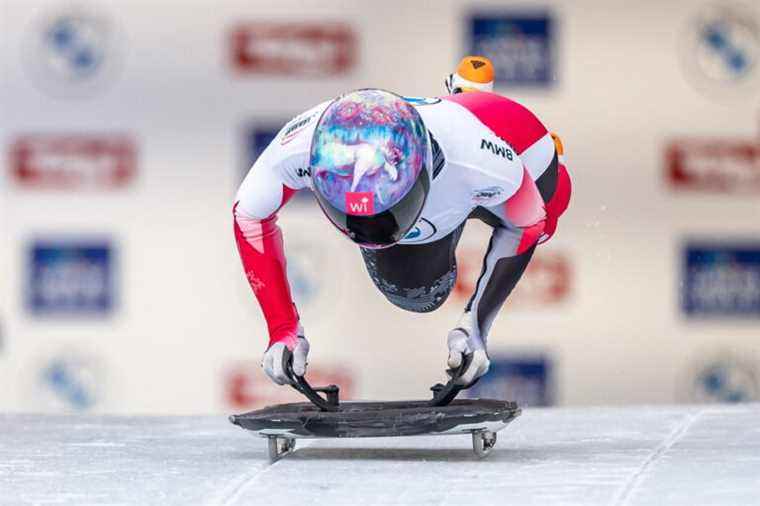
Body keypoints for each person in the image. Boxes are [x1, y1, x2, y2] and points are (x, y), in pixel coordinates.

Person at [234, 84, 571, 389]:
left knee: (548, 211)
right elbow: (248, 215)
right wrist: (283, 330)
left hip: (509, 147)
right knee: (418, 294)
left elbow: (526, 224)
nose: (369, 228)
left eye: (384, 208)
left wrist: (476, 325)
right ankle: (444, 183)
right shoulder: (297, 149)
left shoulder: (481, 163)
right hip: (447, 195)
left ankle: (469, 95)